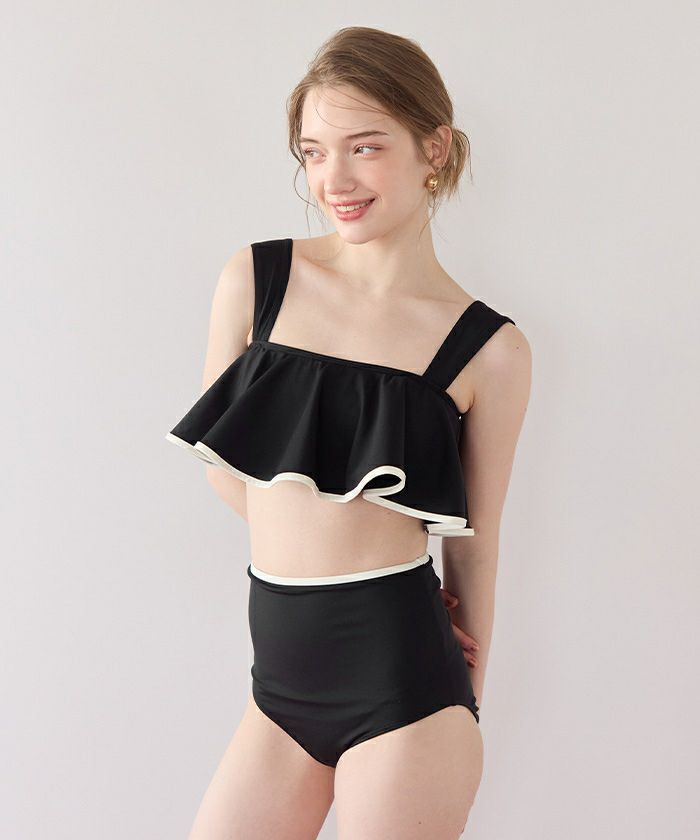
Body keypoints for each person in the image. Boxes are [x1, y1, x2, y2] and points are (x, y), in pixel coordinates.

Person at [166, 25, 532, 840]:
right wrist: (327, 549)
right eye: (314, 152)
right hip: (278, 688)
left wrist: (468, 695)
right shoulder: (257, 279)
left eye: (365, 147)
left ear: (434, 147)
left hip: (406, 690)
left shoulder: (490, 351)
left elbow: (475, 543)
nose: (334, 179)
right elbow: (227, 469)